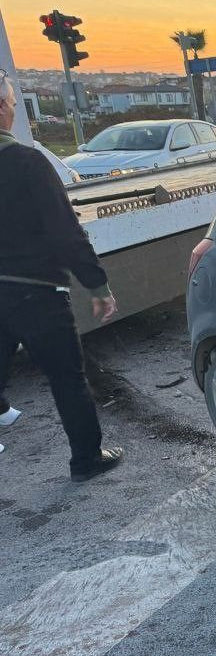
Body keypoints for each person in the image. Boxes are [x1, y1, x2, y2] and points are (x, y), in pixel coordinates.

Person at [0, 72, 123, 481]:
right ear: (2, 108)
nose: (14, 108)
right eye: (14, 102)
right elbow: (64, 231)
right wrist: (97, 284)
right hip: (35, 291)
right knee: (67, 378)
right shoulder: (27, 162)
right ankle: (87, 459)